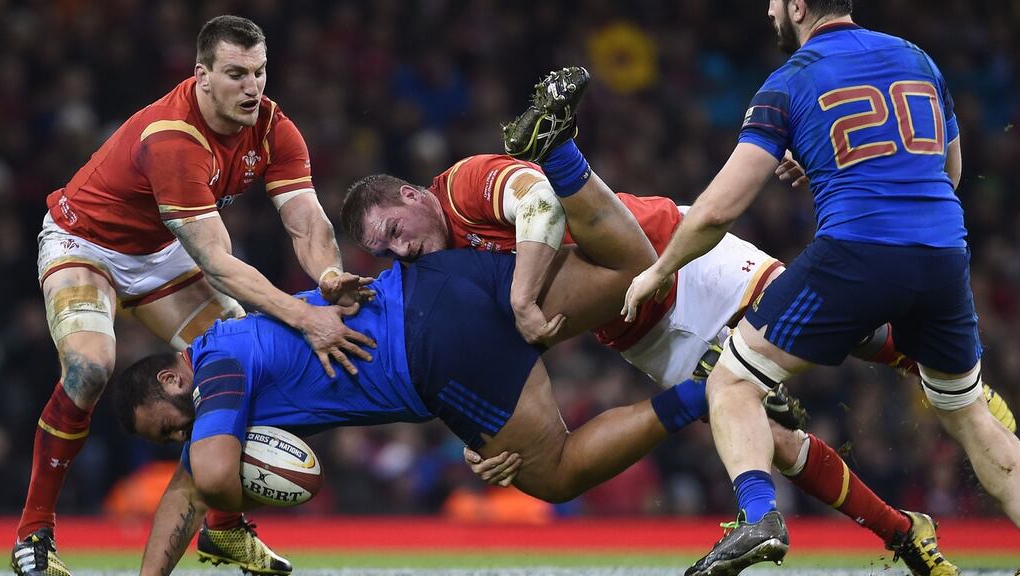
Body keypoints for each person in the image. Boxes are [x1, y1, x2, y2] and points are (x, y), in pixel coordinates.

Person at [337, 69, 1020, 576]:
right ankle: (906, 534)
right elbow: (481, 356)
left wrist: (521, 297)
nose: (401, 249)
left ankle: (953, 378)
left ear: (411, 194)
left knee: (838, 328)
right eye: (383, 249)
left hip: (673, 251)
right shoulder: (428, 276)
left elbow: (536, 202)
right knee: (772, 439)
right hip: (639, 327)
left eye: (397, 229)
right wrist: (481, 435)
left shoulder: (459, 188)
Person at [115, 245, 956, 576]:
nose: (185, 441)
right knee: (640, 267)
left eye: (172, 427)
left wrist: (233, 510)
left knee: (551, 470)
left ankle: (708, 389)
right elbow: (192, 487)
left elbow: (214, 473)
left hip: (433, 351)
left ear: (170, 381)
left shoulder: (218, 360)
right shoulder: (238, 365)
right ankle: (904, 355)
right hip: (472, 281)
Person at [620, 1, 1020, 573]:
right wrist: (838, 164)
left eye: (777, 2)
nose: (768, 10)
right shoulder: (917, 59)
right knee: (972, 418)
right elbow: (946, 174)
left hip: (857, 254)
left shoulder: (792, 79)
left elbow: (720, 208)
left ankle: (759, 515)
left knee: (732, 381)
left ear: (799, 7)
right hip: (943, 257)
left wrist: (658, 271)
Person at [13, 15, 376, 576]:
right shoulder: (172, 139)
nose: (251, 87)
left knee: (234, 362)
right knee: (89, 365)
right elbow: (218, 264)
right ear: (202, 76)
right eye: (235, 74)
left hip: (161, 255)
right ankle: (34, 534)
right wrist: (307, 317)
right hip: (85, 243)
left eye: (258, 72)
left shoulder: (274, 126)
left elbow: (308, 222)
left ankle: (224, 531)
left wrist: (327, 278)